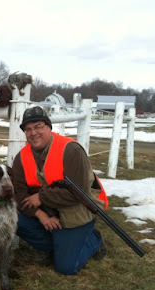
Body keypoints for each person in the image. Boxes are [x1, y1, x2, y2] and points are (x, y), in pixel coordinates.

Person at [12, 106, 108, 275]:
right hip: (47, 210)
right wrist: (40, 215)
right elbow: (19, 195)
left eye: (38, 126)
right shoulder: (21, 158)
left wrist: (41, 197)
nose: (33, 133)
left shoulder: (71, 150)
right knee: (12, 218)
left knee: (65, 268)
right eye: (28, 129)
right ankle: (58, 245)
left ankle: (94, 240)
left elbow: (79, 193)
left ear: (49, 127)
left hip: (76, 209)